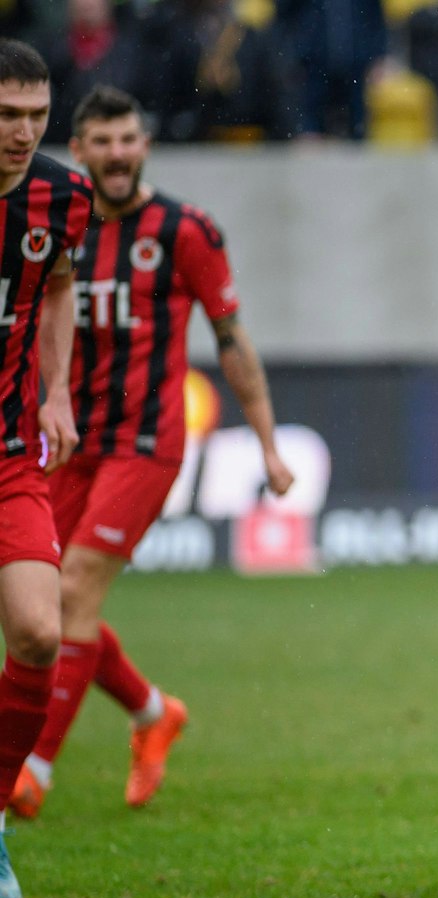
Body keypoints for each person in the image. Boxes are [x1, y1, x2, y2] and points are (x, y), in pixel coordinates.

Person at [8, 86, 294, 821]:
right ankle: (152, 710)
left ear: (146, 145)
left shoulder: (184, 230)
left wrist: (267, 443)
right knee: (53, 604)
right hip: (67, 441)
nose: (117, 153)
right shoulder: (57, 218)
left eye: (128, 139)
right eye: (101, 141)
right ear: (79, 148)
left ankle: (33, 766)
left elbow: (233, 341)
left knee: (71, 590)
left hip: (146, 444)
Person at [0, 39, 93, 898]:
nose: (25, 131)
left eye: (36, 114)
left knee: (38, 631)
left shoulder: (62, 194)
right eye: (7, 115)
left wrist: (57, 391)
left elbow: (57, 283)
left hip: (7, 454)